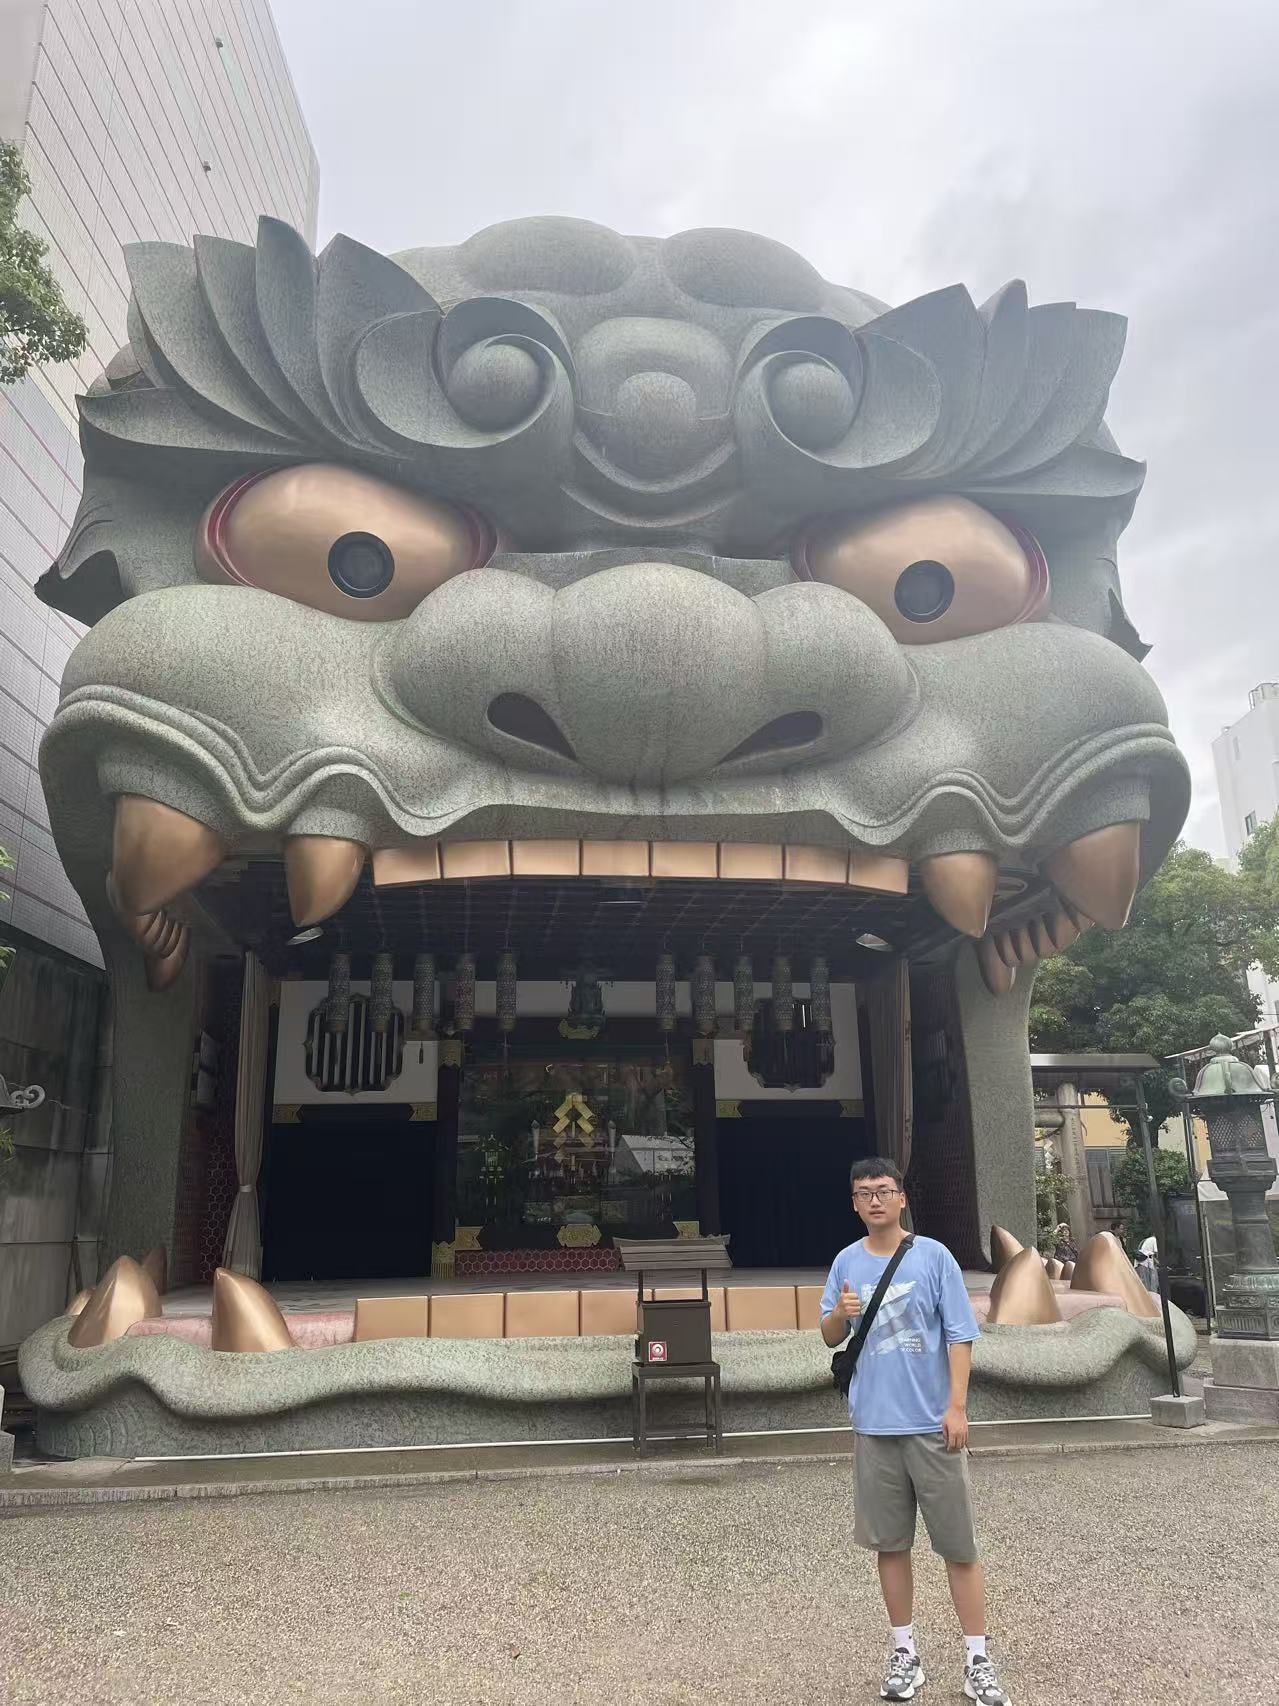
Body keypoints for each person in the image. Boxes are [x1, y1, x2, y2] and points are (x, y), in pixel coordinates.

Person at [821, 1157, 1010, 1705]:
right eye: (863, 1193)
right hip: (875, 1426)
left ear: (902, 1198)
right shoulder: (844, 1263)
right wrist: (842, 1314)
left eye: (883, 1190)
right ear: (853, 1203)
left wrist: (957, 1406)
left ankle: (977, 1657)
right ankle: (904, 1651)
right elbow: (829, 1332)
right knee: (890, 1545)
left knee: (959, 1546)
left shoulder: (934, 1258)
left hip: (932, 1424)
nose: (874, 1200)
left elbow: (959, 1334)